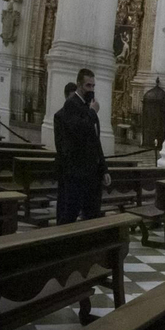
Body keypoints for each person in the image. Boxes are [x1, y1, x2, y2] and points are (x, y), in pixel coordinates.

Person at [53, 68, 107, 225]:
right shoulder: (71, 104)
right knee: (71, 212)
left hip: (91, 171)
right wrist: (93, 112)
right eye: (88, 85)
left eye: (93, 86)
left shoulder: (86, 106)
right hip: (77, 170)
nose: (91, 89)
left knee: (91, 213)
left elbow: (95, 139)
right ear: (79, 85)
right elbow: (79, 130)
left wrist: (104, 168)